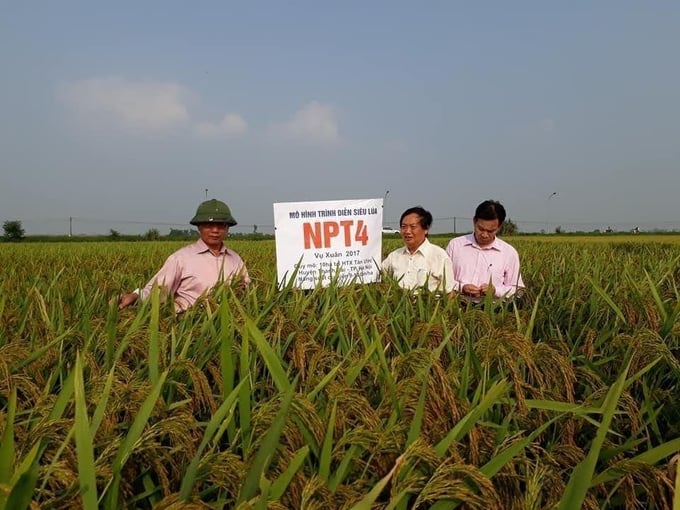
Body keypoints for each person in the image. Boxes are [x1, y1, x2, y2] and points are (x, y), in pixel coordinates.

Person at [117, 199, 250, 311]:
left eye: (221, 225)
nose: (215, 230)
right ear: (199, 227)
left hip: (228, 325)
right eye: (208, 225)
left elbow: (247, 291)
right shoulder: (181, 259)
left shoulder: (235, 259)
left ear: (227, 228)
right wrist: (135, 296)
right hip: (190, 326)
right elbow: (158, 290)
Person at [446, 200, 523, 300]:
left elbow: (518, 290)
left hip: (493, 310)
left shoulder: (508, 252)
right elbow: (443, 279)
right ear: (474, 221)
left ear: (499, 227)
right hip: (457, 304)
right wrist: (462, 288)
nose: (484, 235)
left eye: (491, 231)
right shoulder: (455, 245)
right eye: (480, 229)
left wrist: (495, 291)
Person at [381, 206, 455, 296]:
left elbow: (449, 292)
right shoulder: (394, 256)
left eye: (413, 227)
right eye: (403, 227)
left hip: (429, 307)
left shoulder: (439, 255)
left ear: (426, 229)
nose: (407, 231)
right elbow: (379, 276)